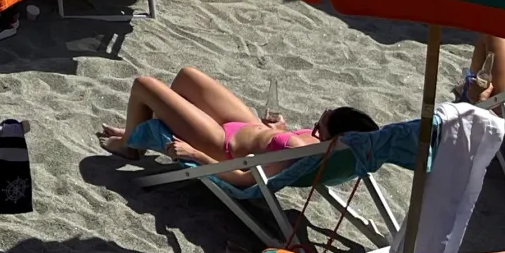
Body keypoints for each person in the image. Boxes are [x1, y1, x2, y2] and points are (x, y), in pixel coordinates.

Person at [99, 67, 378, 173]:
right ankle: (136, 129)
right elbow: (273, 147)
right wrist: (278, 130)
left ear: (334, 136)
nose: (315, 127)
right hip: (247, 126)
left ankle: (130, 146)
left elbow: (244, 179)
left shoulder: (300, 151)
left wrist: (195, 154)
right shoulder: (321, 146)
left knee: (143, 84)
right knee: (188, 76)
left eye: (320, 125)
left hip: (223, 146)